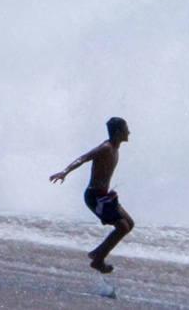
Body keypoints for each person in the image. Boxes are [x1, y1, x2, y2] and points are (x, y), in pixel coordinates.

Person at [50, 116, 134, 273]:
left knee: (129, 223)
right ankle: (98, 260)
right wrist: (64, 172)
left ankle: (97, 253)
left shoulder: (115, 148)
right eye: (126, 129)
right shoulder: (106, 148)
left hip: (104, 195)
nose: (129, 132)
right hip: (95, 197)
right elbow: (83, 158)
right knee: (122, 227)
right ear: (118, 132)